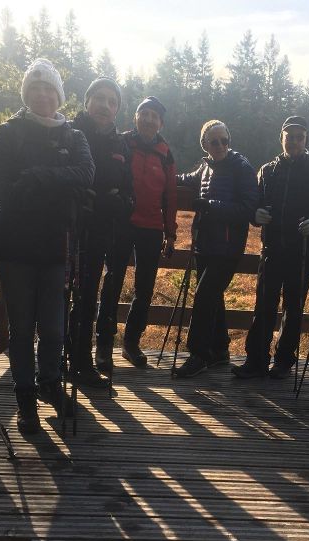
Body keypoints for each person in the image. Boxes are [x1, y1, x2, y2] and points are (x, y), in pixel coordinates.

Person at [0, 58, 95, 433]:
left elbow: (86, 173)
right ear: (26, 94)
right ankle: (25, 398)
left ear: (59, 95)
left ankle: (49, 383)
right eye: (36, 88)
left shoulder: (73, 136)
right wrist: (57, 186)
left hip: (55, 245)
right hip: (14, 245)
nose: (43, 95)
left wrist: (37, 177)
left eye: (50, 89)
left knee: (53, 327)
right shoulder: (8, 132)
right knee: (21, 327)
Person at [232, 116, 309, 380]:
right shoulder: (267, 171)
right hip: (272, 248)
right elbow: (254, 203)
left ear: (306, 139)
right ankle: (256, 360)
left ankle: (284, 361)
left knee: (293, 306)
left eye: (300, 137)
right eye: (290, 136)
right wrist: (256, 215)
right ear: (282, 138)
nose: (295, 141)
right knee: (264, 303)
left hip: (302, 250)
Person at [95, 96, 178, 370]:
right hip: (121, 223)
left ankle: (131, 343)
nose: (149, 119)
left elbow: (171, 195)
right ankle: (104, 344)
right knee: (112, 281)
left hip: (152, 228)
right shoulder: (121, 142)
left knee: (145, 288)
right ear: (136, 117)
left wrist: (171, 233)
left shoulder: (165, 153)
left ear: (161, 123)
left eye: (155, 116)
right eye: (145, 113)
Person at [172, 120, 259, 377]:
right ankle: (220, 350)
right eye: (214, 141)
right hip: (205, 244)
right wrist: (163, 177)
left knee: (204, 296)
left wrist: (211, 206)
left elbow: (248, 208)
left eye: (224, 140)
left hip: (228, 247)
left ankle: (198, 354)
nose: (220, 145)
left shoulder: (241, 167)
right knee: (212, 296)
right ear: (205, 145)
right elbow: (184, 179)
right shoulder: (205, 167)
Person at [69, 77, 133, 387]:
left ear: (117, 109)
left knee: (87, 297)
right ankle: (59, 364)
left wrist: (120, 203)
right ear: (87, 102)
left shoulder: (120, 143)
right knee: (62, 298)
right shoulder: (69, 133)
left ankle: (81, 362)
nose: (105, 106)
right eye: (100, 98)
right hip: (69, 231)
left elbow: (128, 188)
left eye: (112, 101)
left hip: (100, 233)